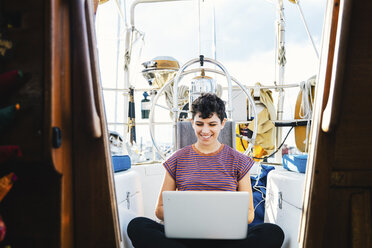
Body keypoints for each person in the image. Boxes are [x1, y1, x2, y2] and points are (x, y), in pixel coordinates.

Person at [127, 93, 284, 248]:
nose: (205, 131)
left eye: (212, 124)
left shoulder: (239, 160)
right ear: (192, 122)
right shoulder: (177, 158)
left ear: (223, 123)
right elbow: (159, 210)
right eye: (200, 124)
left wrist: (218, 219)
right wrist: (191, 216)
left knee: (272, 232)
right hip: (185, 236)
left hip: (226, 238)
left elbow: (249, 214)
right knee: (138, 225)